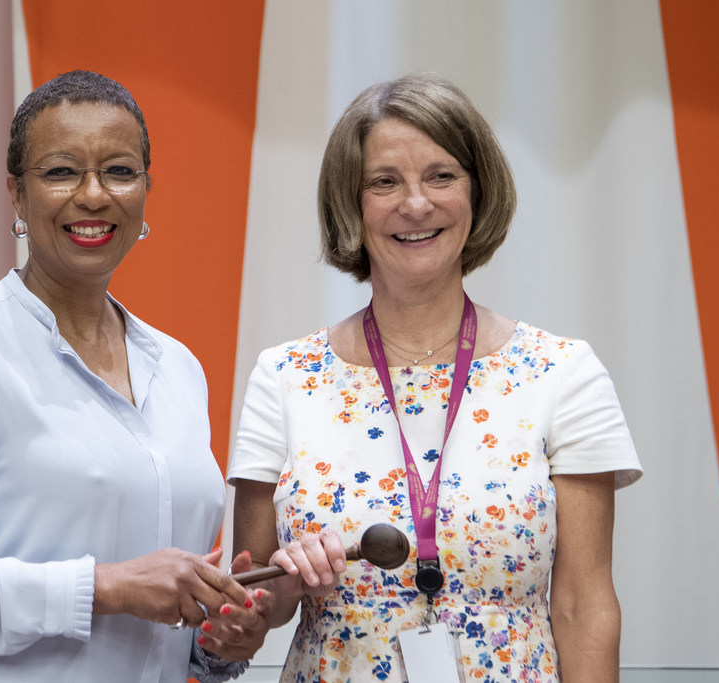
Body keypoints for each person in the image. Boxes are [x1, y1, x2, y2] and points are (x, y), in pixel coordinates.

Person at [0, 70, 267, 682]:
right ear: (17, 195)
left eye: (119, 171)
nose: (93, 195)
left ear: (146, 191)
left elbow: (156, 631)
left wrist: (218, 641)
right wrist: (103, 587)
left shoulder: (178, 366)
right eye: (62, 171)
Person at [228, 74, 642, 683]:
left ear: (478, 192)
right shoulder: (284, 376)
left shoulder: (562, 373)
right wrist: (282, 588)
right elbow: (252, 599)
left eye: (441, 176)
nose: (416, 204)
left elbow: (585, 607)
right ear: (349, 202)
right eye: (384, 181)